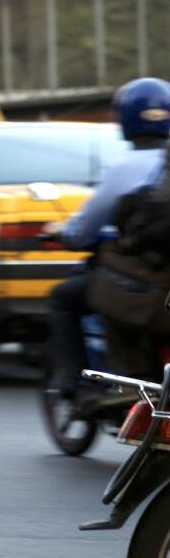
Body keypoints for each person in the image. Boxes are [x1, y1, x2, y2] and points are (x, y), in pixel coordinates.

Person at [44, 77, 170, 398]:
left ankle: (74, 383)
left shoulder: (123, 169)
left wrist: (62, 233)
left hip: (143, 284)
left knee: (63, 298)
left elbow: (81, 231)